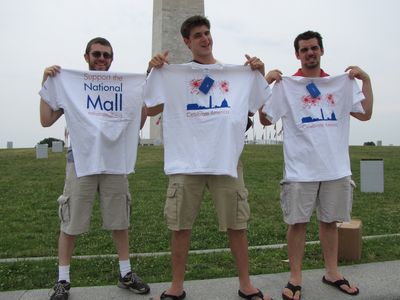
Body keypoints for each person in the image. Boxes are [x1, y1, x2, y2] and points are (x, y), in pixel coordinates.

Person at [144, 15, 273, 300]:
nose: (205, 38)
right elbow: (150, 107)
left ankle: (245, 284)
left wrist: (258, 73)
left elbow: (262, 106)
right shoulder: (174, 74)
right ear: (186, 42)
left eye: (207, 33)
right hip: (185, 162)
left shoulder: (235, 74)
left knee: (237, 226)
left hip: (226, 160)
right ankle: (176, 287)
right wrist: (152, 72)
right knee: (180, 227)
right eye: (198, 35)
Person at [259, 30, 373, 300]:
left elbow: (365, 114)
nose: (310, 53)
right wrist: (266, 84)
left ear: (321, 51)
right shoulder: (287, 85)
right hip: (300, 169)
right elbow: (265, 120)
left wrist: (366, 80)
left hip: (335, 168)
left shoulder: (340, 84)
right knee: (297, 224)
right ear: (297, 55)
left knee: (329, 222)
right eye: (304, 49)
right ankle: (295, 278)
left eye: (314, 48)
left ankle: (332, 272)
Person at [39, 37, 150, 300]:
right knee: (71, 223)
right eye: (97, 54)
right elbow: (45, 120)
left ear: (112, 59)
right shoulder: (72, 86)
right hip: (81, 161)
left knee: (119, 221)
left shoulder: (123, 87)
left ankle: (125, 273)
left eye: (107, 55)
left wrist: (142, 96)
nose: (102, 59)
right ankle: (63, 280)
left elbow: (140, 122)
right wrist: (45, 81)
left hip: (114, 162)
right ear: (86, 56)